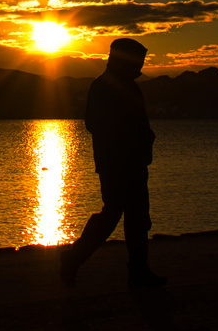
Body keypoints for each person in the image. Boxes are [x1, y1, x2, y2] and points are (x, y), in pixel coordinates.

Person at [59, 37, 167, 288]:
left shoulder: (128, 86)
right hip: (116, 164)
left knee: (137, 217)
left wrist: (143, 141)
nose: (139, 67)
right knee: (113, 213)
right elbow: (94, 125)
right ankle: (74, 257)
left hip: (134, 162)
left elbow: (139, 123)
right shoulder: (103, 87)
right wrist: (127, 140)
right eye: (136, 61)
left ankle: (138, 272)